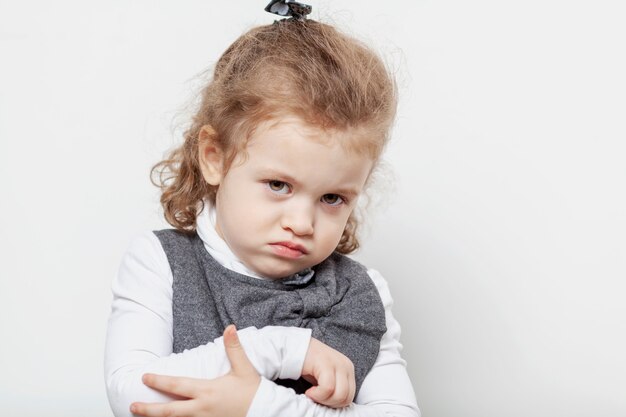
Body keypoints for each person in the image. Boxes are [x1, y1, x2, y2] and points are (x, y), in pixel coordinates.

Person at [104, 2, 420, 417]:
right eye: (278, 185)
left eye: (332, 198)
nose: (301, 223)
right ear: (215, 157)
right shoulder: (160, 263)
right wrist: (282, 349)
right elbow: (132, 396)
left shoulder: (361, 293)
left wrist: (260, 405)